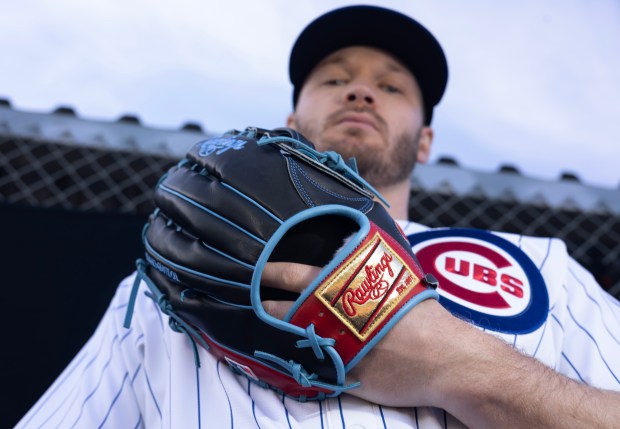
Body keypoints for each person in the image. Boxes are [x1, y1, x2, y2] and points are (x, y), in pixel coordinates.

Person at [16, 5, 620, 428]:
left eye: (391, 87)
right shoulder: (176, 287)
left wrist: (451, 360)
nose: (360, 92)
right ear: (287, 123)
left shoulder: (539, 265)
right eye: (335, 78)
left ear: (428, 140)